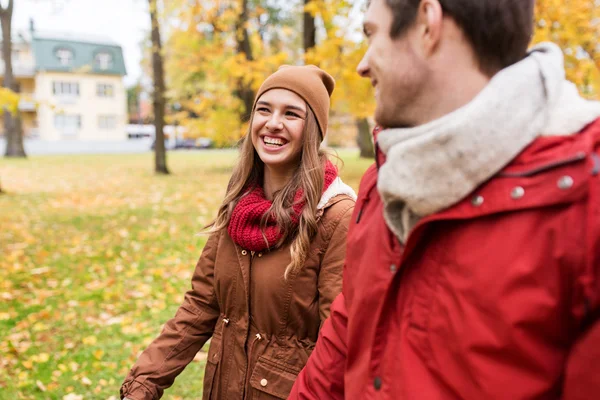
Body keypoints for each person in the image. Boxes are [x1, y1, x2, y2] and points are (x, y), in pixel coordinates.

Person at [290, 0, 600, 399]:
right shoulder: (383, 179)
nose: (361, 66)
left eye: (372, 34)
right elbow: (347, 335)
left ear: (427, 23)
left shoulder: (585, 201)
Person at [120, 65, 356, 400]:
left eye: (291, 114)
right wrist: (142, 385)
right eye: (264, 109)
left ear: (313, 131)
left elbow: (341, 342)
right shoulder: (241, 207)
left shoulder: (336, 216)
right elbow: (200, 306)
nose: (273, 123)